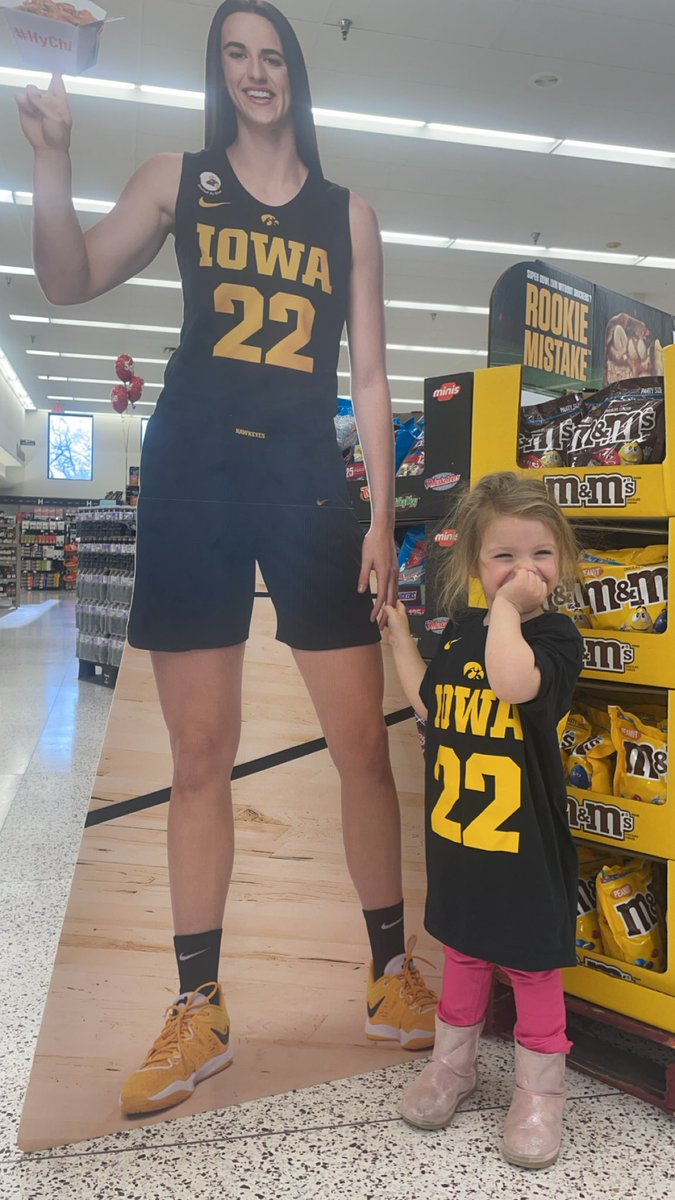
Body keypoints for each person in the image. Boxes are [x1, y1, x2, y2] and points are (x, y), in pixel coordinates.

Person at [16, 0, 437, 1117]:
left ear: (297, 71)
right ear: (221, 73)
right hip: (194, 469)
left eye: (272, 55)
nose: (256, 73)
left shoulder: (352, 214)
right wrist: (50, 165)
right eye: (235, 56)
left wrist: (384, 520)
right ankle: (198, 1005)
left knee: (359, 744)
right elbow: (67, 280)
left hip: (307, 481)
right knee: (201, 754)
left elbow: (379, 378)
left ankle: (391, 972)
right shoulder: (176, 177)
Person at [385, 472, 583, 1170]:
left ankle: (538, 1096)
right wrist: (399, 641)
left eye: (541, 555)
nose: (524, 571)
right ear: (473, 566)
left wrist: (506, 611)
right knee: (462, 957)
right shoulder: (465, 629)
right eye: (504, 557)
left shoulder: (556, 638)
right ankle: (453, 1067)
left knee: (532, 971)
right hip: (461, 843)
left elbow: (512, 681)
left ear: (562, 561)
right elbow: (433, 707)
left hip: (525, 853)